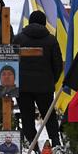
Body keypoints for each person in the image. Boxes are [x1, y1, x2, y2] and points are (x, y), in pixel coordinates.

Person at [14, 11, 63, 149]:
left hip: (23, 87)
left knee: (27, 116)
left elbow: (11, 63)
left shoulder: (18, 39)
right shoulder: (51, 40)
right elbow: (57, 64)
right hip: (44, 86)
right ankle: (55, 141)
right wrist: (51, 80)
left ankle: (32, 145)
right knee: (49, 115)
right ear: (43, 23)